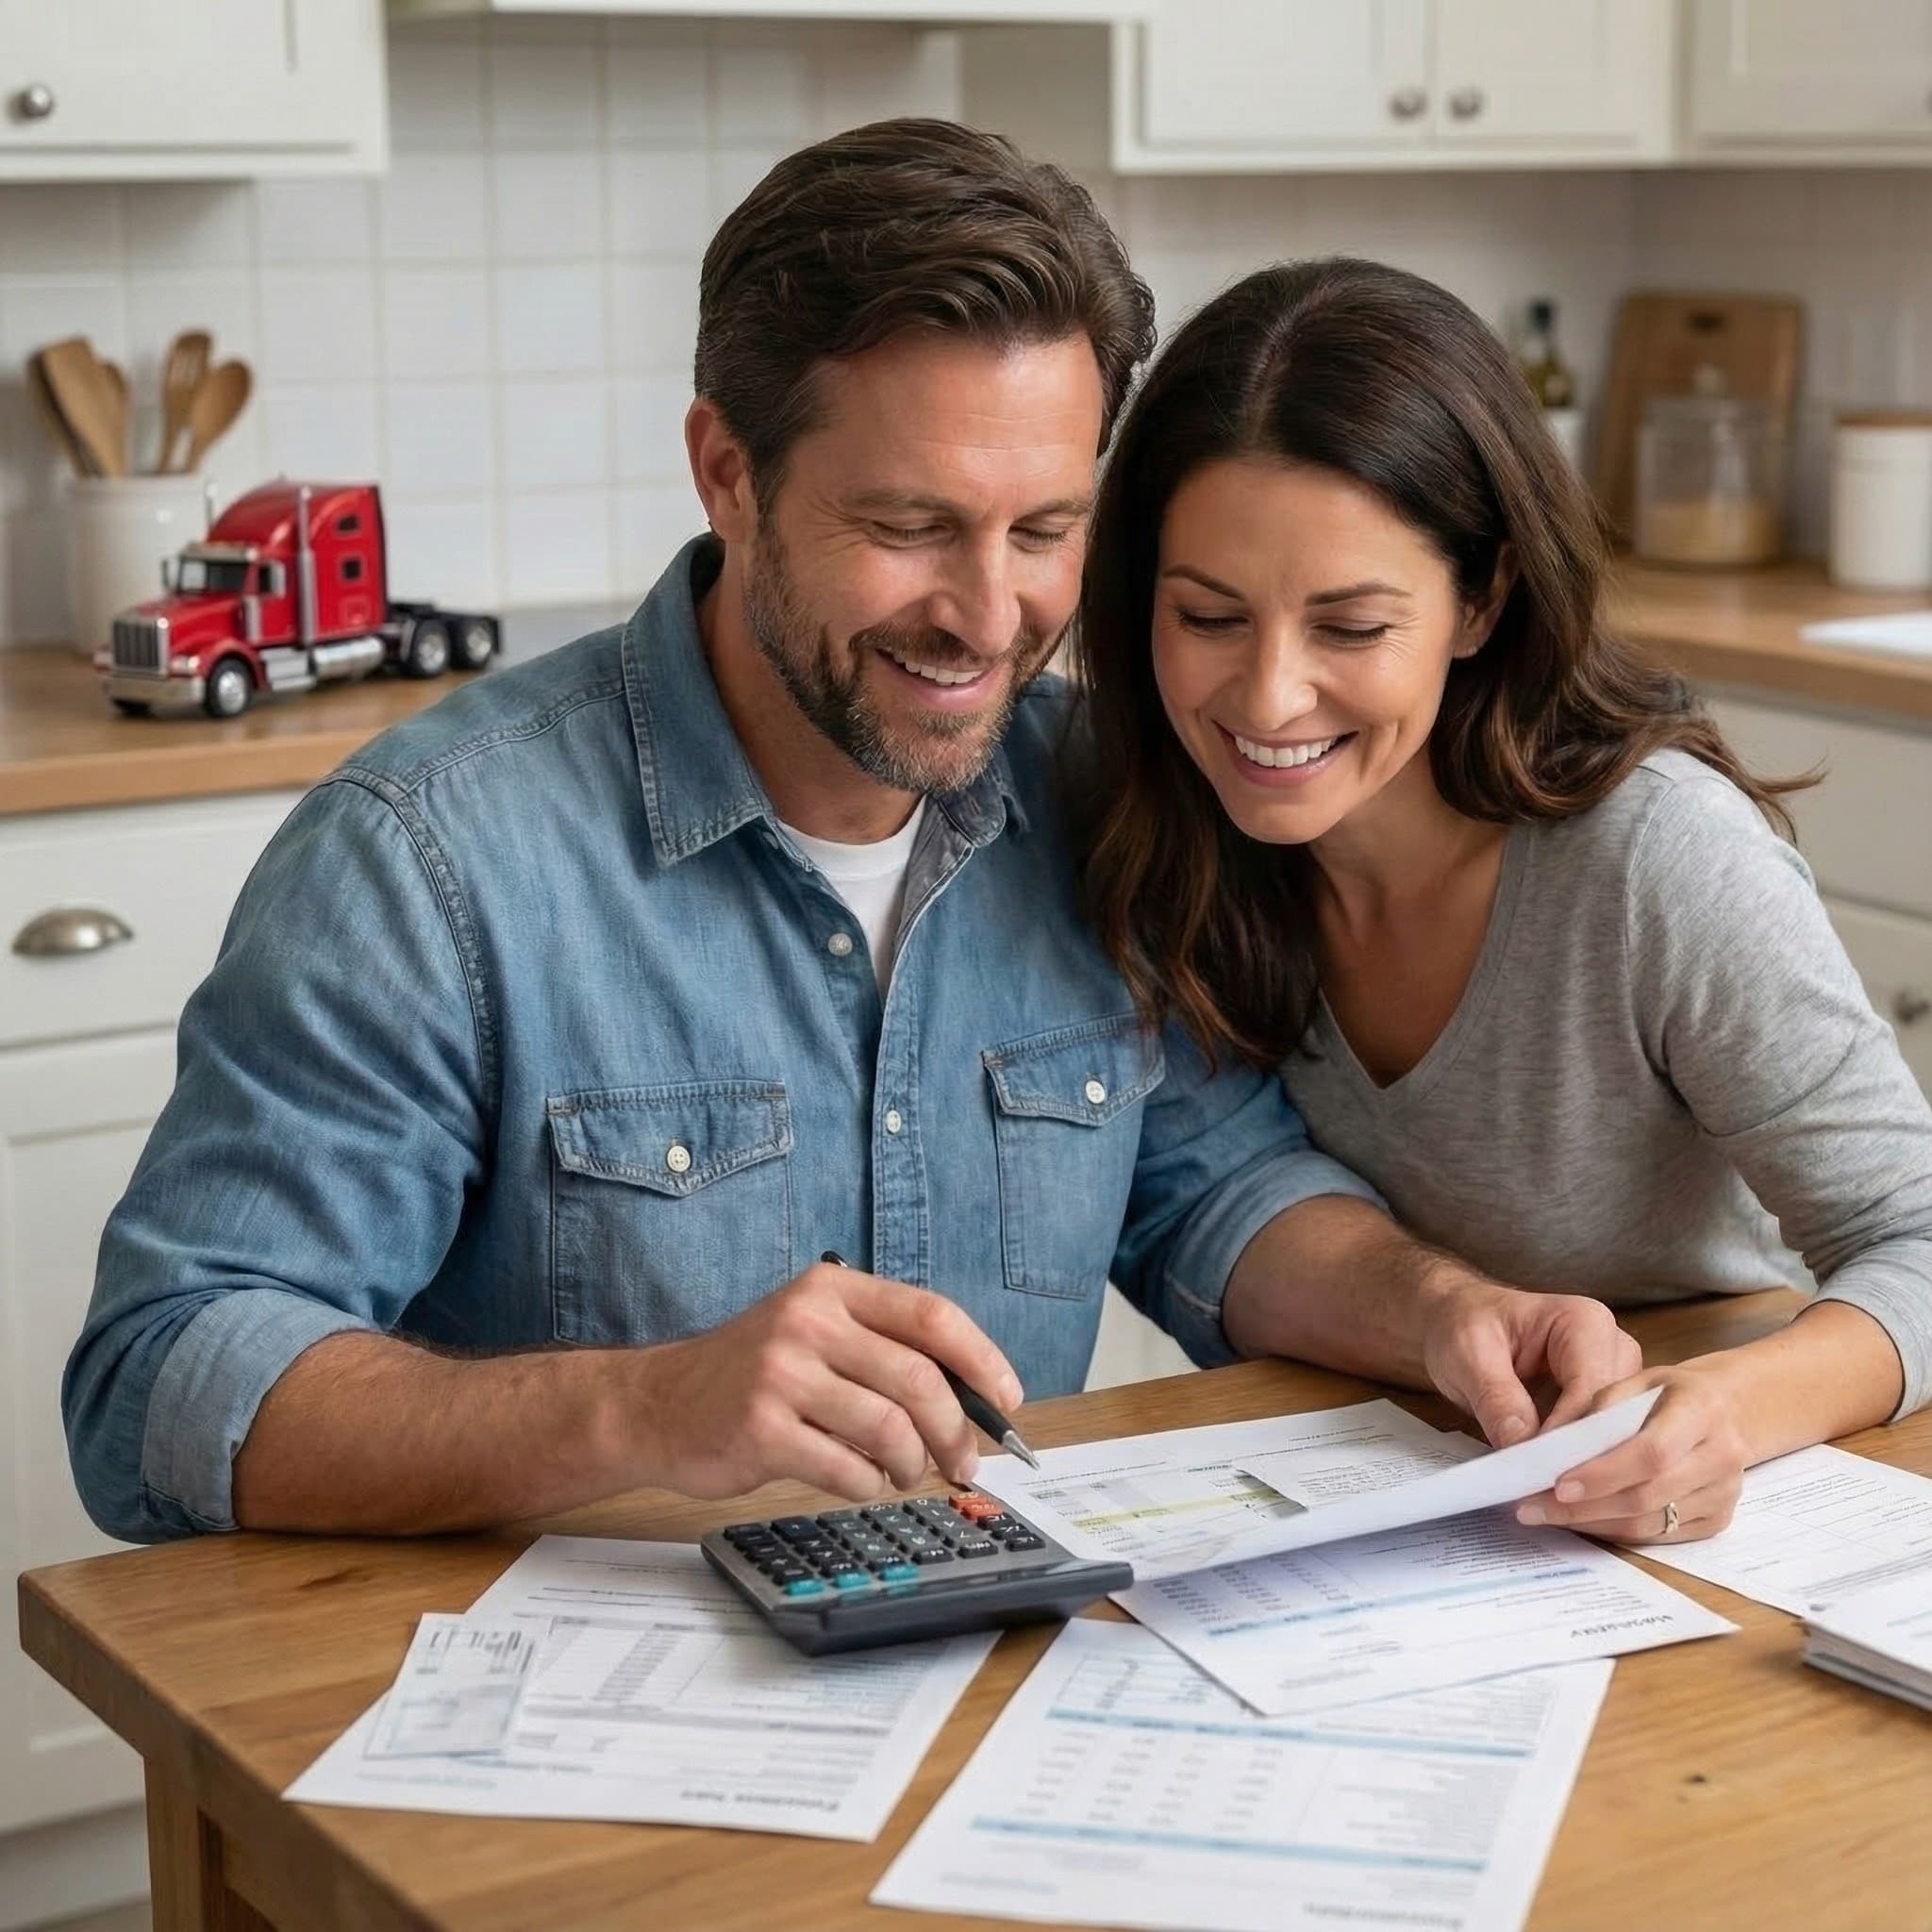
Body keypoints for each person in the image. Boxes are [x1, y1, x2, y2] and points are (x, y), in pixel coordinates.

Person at [65, 131, 1637, 1547]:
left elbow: (1213, 1192)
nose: (987, 614)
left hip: (985, 1673)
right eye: (907, 529)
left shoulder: (1101, 795)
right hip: (556, 1738)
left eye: (1043, 533)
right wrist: (643, 1410)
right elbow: (159, 1383)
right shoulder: (430, 863)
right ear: (728, 474)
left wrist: (1443, 1312)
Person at [1072, 255, 1932, 1546]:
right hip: (1370, 1519)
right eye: (1208, 615)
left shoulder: (1651, 863)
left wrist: (1726, 1410)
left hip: (1676, 1526)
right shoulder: (1165, 833)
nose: (1265, 698)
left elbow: (1913, 1229)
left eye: (1350, 629)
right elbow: (1213, 1208)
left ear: (1480, 601)